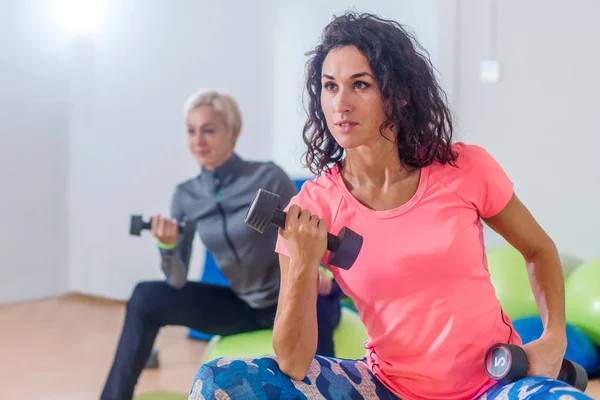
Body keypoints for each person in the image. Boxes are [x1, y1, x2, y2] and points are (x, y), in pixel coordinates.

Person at [188, 12, 593, 400]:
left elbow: (538, 249)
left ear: (397, 93)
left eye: (360, 85)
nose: (340, 103)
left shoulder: (462, 168)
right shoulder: (313, 206)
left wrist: (554, 338)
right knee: (220, 381)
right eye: (330, 86)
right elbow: (293, 363)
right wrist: (303, 267)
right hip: (384, 389)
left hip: (494, 384)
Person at [100, 89, 342, 400]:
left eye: (209, 130)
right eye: (191, 131)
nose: (198, 140)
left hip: (292, 299)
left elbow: (307, 234)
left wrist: (313, 272)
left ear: (233, 132)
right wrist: (168, 246)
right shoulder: (186, 196)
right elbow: (176, 278)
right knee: (146, 297)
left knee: (317, 310)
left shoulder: (268, 177)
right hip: (242, 305)